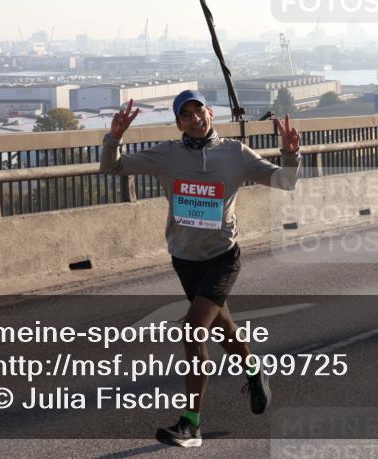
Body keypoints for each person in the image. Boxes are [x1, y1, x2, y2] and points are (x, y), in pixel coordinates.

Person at [99, 89, 301, 447]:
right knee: (223, 328)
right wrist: (114, 137)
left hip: (223, 256)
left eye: (199, 111)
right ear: (178, 123)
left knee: (193, 330)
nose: (195, 119)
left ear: (210, 112)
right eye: (186, 115)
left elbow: (285, 181)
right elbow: (111, 166)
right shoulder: (167, 155)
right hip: (185, 258)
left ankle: (190, 424)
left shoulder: (235, 154)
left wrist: (290, 153)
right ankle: (254, 370)